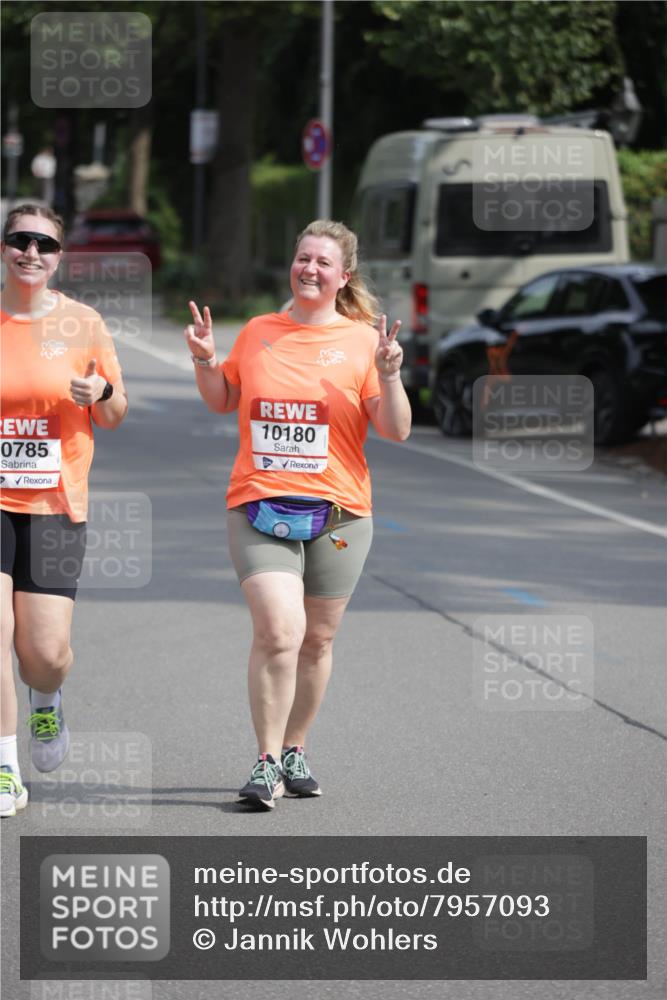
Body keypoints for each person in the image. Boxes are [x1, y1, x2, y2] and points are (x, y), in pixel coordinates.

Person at [185, 219, 411, 810]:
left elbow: (396, 428)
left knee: (317, 640)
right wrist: (207, 362)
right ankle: (265, 763)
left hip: (340, 515)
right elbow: (223, 399)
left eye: (322, 262)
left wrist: (390, 375)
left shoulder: (363, 342)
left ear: (344, 277)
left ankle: (294, 748)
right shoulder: (260, 330)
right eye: (302, 258)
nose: (309, 269)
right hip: (258, 503)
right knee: (280, 630)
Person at [0, 204, 128, 817]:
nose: (31, 252)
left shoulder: (83, 323)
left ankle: (45, 703)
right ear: (3, 249)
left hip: (55, 501)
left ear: (58, 257)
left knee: (42, 653)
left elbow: (115, 411)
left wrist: (101, 392)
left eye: (43, 245)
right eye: (19, 240)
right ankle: (5, 769)